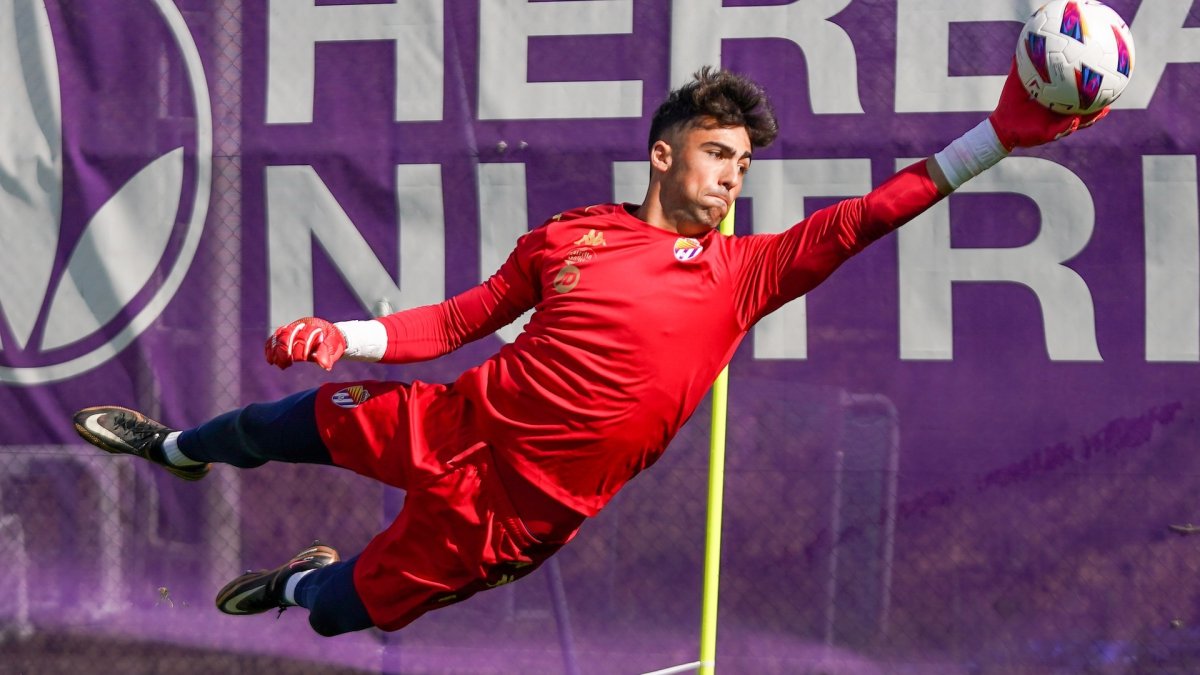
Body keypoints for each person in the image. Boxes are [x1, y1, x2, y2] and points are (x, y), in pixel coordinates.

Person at [72, 64, 1106, 637]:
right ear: (664, 154)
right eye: (716, 152)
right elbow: (461, 320)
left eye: (742, 162)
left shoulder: (745, 274)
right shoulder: (570, 236)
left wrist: (997, 138)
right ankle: (173, 449)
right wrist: (344, 333)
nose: (731, 174)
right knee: (282, 423)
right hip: (456, 421)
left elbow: (872, 214)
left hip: (521, 516)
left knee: (341, 615)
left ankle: (301, 580)